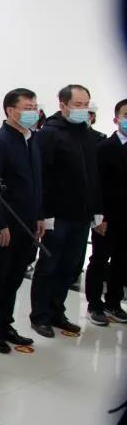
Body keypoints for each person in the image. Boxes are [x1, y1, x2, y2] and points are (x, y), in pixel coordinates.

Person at [29, 84, 104, 338]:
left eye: (86, 105)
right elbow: (42, 177)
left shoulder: (87, 133)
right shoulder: (49, 134)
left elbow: (93, 174)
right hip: (56, 215)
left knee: (70, 266)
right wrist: (43, 213)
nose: (83, 110)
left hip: (81, 215)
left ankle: (56, 311)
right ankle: (40, 315)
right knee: (49, 265)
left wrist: (96, 209)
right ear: (63, 105)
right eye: (78, 105)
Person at [0, 88, 43, 353]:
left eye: (35, 107)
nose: (33, 112)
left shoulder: (33, 139)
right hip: (7, 224)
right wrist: (0, 224)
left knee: (15, 277)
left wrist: (40, 216)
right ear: (10, 110)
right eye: (27, 108)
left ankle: (6, 324)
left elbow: (37, 182)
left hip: (29, 222)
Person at [85, 98, 127, 326]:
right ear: (116, 119)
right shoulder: (103, 148)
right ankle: (94, 304)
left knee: (122, 261)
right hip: (107, 216)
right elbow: (95, 185)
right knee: (100, 259)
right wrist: (98, 216)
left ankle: (114, 302)